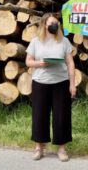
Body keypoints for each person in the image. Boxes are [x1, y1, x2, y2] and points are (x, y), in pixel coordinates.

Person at [25, 13, 76, 161]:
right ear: (45, 25)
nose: (55, 25)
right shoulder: (36, 41)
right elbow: (28, 61)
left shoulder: (64, 41)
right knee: (39, 115)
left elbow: (70, 63)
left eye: (57, 23)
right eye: (52, 23)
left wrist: (72, 84)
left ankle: (61, 149)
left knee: (61, 116)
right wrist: (39, 64)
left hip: (61, 83)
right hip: (40, 82)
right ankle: (39, 147)